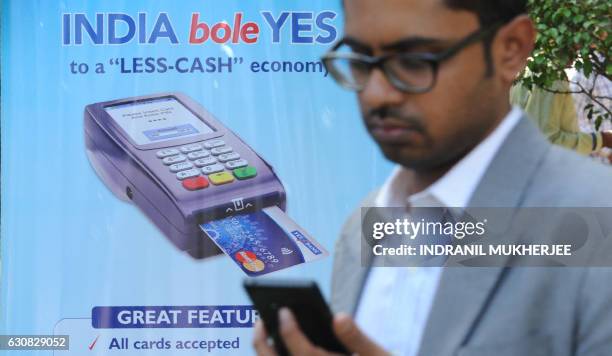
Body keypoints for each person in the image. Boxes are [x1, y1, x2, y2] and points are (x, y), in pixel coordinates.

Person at [253, 1, 612, 355]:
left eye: (414, 61)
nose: (377, 94)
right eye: (361, 59)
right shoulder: (363, 225)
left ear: (511, 49)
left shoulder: (598, 218)